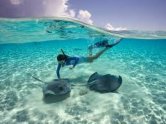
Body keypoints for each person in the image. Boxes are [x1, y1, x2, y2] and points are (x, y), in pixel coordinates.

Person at [56, 38, 122, 79]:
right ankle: (90, 48)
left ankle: (106, 48)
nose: (59, 63)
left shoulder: (70, 59)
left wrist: (73, 66)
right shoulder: (60, 62)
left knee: (95, 57)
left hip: (82, 59)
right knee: (91, 61)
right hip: (82, 60)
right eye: (59, 62)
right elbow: (57, 71)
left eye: (60, 61)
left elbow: (76, 59)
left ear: (63, 59)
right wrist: (59, 78)